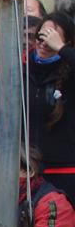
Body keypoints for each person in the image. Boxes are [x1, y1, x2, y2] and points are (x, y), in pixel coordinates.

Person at [28, 12, 75, 205]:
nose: (45, 41)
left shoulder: (69, 72)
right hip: (30, 168)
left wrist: (61, 49)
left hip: (64, 170)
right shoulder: (24, 67)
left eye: (52, 36)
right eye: (42, 35)